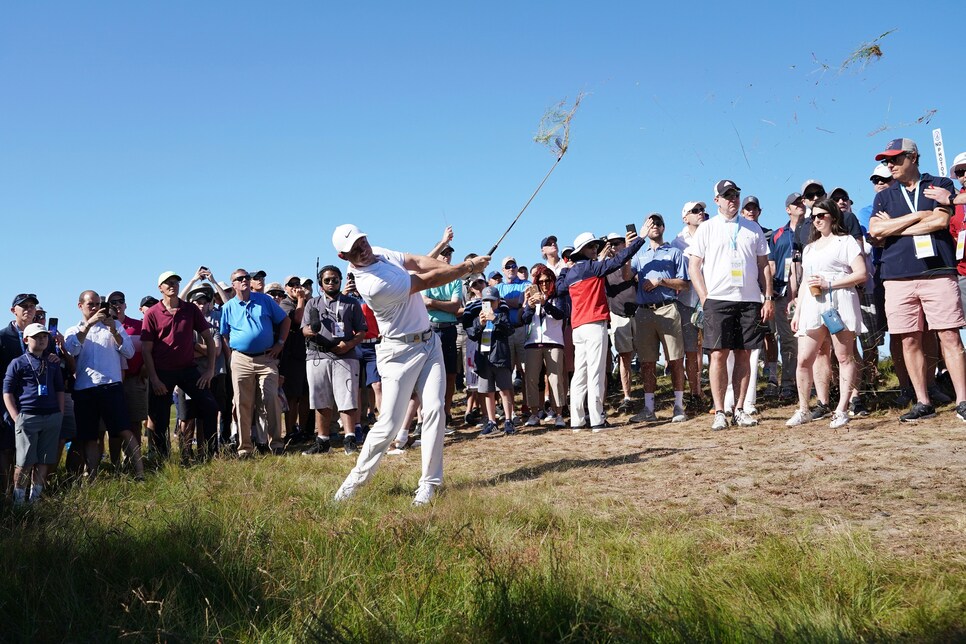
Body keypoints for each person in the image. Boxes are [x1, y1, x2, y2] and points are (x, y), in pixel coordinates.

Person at [330, 224, 490, 506]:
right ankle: (354, 482)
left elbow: (416, 261)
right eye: (354, 249)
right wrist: (468, 267)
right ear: (345, 258)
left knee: (435, 410)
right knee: (389, 424)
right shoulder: (371, 284)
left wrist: (467, 266)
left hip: (429, 343)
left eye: (362, 241)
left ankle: (429, 483)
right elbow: (425, 281)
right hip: (398, 352)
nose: (362, 249)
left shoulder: (378, 252)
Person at [869, 138, 966, 422]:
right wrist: (917, 216)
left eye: (895, 159)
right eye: (887, 160)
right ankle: (922, 401)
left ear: (912, 157)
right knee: (908, 340)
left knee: (949, 335)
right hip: (897, 276)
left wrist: (894, 227)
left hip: (937, 271)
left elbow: (939, 222)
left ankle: (962, 400)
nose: (890, 165)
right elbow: (875, 231)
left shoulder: (939, 185)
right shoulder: (884, 195)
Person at [686, 179, 773, 431]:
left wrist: (767, 296)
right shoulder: (707, 228)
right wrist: (704, 298)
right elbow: (694, 266)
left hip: (748, 300)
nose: (732, 199)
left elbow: (763, 265)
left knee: (745, 353)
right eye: (727, 195)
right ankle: (720, 411)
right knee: (718, 354)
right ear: (717, 201)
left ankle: (740, 409)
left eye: (735, 194)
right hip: (718, 299)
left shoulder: (752, 227)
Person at [786, 199, 868, 428]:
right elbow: (804, 283)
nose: (817, 219)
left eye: (821, 215)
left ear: (832, 216)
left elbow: (861, 274)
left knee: (844, 357)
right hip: (812, 305)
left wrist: (830, 284)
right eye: (814, 216)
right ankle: (803, 408)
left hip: (840, 302)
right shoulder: (810, 248)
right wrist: (798, 312)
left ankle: (842, 409)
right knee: (804, 359)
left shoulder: (846, 242)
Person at [559, 229, 645, 431]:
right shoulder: (592, 268)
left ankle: (577, 421)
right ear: (582, 251)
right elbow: (619, 260)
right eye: (591, 246)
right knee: (595, 373)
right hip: (593, 324)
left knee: (580, 374)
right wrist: (640, 239)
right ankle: (597, 420)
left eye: (595, 246)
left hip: (578, 327)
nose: (595, 249)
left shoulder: (571, 273)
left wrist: (565, 267)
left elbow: (559, 287)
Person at [64, 290, 142, 479]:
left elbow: (129, 353)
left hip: (111, 386)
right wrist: (88, 325)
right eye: (91, 304)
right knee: (89, 435)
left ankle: (140, 472)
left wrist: (114, 331)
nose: (95, 308)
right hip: (85, 388)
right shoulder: (73, 330)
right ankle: (92, 475)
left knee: (124, 429)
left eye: (98, 304)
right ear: (80, 305)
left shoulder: (114, 325)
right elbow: (71, 349)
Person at [141, 271, 219, 460]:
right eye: (168, 282)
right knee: (159, 418)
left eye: (175, 282)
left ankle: (209, 455)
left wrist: (209, 370)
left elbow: (209, 339)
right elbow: (146, 350)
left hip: (188, 369)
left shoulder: (190, 309)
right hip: (162, 372)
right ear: (160, 288)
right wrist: (154, 379)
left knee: (209, 406)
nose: (172, 285)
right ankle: (162, 459)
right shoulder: (152, 313)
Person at [220, 268, 291, 456]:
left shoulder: (265, 300)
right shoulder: (227, 308)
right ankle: (245, 448)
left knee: (271, 399)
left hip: (266, 359)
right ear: (233, 284)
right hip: (240, 358)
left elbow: (285, 321)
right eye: (239, 279)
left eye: (246, 278)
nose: (244, 280)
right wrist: (234, 356)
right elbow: (225, 335)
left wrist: (280, 344)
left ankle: (276, 444)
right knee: (242, 402)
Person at [628, 214, 688, 423]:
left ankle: (679, 406)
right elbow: (627, 276)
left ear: (664, 227)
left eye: (658, 223)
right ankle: (649, 409)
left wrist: (661, 281)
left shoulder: (674, 252)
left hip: (668, 308)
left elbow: (684, 283)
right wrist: (630, 249)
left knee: (675, 359)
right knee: (647, 362)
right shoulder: (639, 254)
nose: (654, 227)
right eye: (650, 224)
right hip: (644, 311)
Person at [301, 265, 367, 455]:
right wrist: (311, 331)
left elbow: (362, 331)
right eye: (327, 280)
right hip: (317, 355)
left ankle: (350, 439)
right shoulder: (312, 303)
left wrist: (349, 344)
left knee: (347, 397)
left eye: (335, 279)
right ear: (321, 283)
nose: (331, 283)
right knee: (320, 399)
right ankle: (323, 441)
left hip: (345, 355)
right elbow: (304, 329)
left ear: (341, 281)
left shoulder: (351, 303)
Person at [2, 323, 64, 505]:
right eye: (37, 336)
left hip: (51, 416)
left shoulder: (52, 362)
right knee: (25, 461)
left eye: (44, 336)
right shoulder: (18, 362)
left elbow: (60, 389)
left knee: (44, 459)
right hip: (27, 417)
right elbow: (7, 392)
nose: (42, 339)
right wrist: (16, 417)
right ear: (26, 339)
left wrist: (59, 413)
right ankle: (19, 501)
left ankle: (34, 499)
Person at [768, 193, 805, 401]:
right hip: (784, 295)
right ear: (787, 209)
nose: (800, 205)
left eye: (802, 202)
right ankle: (789, 384)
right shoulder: (778, 235)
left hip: (811, 292)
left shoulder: (812, 228)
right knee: (788, 340)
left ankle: (817, 385)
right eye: (795, 203)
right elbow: (772, 264)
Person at [521, 266, 569, 429]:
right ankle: (534, 413)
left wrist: (545, 303)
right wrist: (529, 305)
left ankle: (559, 414)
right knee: (531, 379)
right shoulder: (531, 299)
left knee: (555, 379)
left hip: (554, 342)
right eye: (540, 281)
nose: (544, 284)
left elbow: (560, 314)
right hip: (532, 342)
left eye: (547, 280)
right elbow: (525, 319)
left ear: (552, 281)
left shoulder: (558, 297)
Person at [422, 236, 463, 427]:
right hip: (430, 330)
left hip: (449, 330)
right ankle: (425, 416)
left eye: (449, 254)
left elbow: (455, 306)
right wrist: (444, 306)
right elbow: (424, 304)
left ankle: (446, 413)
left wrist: (434, 304)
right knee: (428, 374)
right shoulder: (429, 277)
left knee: (450, 374)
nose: (447, 257)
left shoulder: (455, 279)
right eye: (443, 253)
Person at [671, 201, 708, 406]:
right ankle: (696, 393)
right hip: (686, 301)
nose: (700, 213)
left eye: (702, 210)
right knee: (691, 350)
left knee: (714, 348)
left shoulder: (712, 233)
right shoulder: (677, 243)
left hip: (711, 298)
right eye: (695, 211)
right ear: (685, 217)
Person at [468, 287, 516, 437]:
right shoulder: (479, 317)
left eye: (491, 301)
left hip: (499, 358)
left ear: (498, 301)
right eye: (485, 301)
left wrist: (495, 319)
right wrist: (480, 324)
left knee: (504, 390)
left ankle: (508, 420)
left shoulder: (502, 315)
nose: (488, 304)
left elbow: (509, 330)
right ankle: (492, 421)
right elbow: (472, 335)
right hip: (484, 358)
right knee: (488, 392)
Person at [602, 232, 638, 413]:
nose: (614, 246)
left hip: (639, 312)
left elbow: (628, 276)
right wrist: (603, 255)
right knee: (624, 356)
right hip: (618, 314)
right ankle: (627, 396)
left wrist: (629, 254)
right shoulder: (604, 266)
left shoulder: (635, 261)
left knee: (647, 357)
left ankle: (649, 395)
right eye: (611, 244)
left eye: (617, 243)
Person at [495, 256, 531, 419]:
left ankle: (527, 405)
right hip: (505, 332)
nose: (511, 268)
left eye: (514, 265)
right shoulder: (498, 288)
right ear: (503, 270)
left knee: (526, 370)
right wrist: (515, 302)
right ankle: (511, 410)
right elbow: (500, 305)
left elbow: (524, 302)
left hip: (522, 329)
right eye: (507, 266)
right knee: (506, 372)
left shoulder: (526, 285)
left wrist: (507, 302)